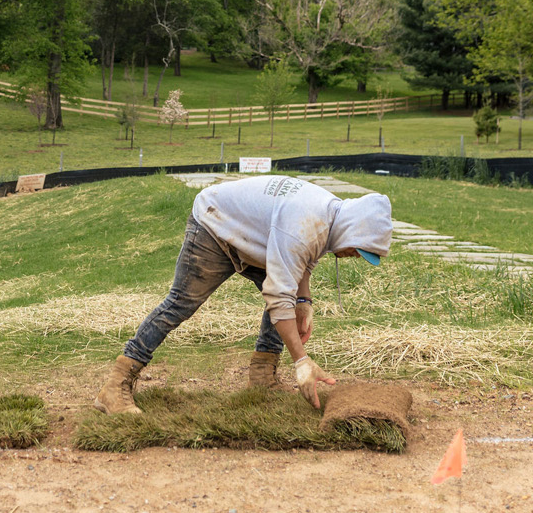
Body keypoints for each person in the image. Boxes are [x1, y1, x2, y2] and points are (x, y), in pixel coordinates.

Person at [93, 174, 392, 415]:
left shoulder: (329, 218)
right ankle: (116, 385)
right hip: (216, 225)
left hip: (254, 237)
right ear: (353, 229)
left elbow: (301, 263)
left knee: (286, 301)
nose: (355, 256)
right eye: (359, 249)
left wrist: (303, 301)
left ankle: (262, 378)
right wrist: (301, 361)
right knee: (180, 304)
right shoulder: (306, 225)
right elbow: (281, 289)